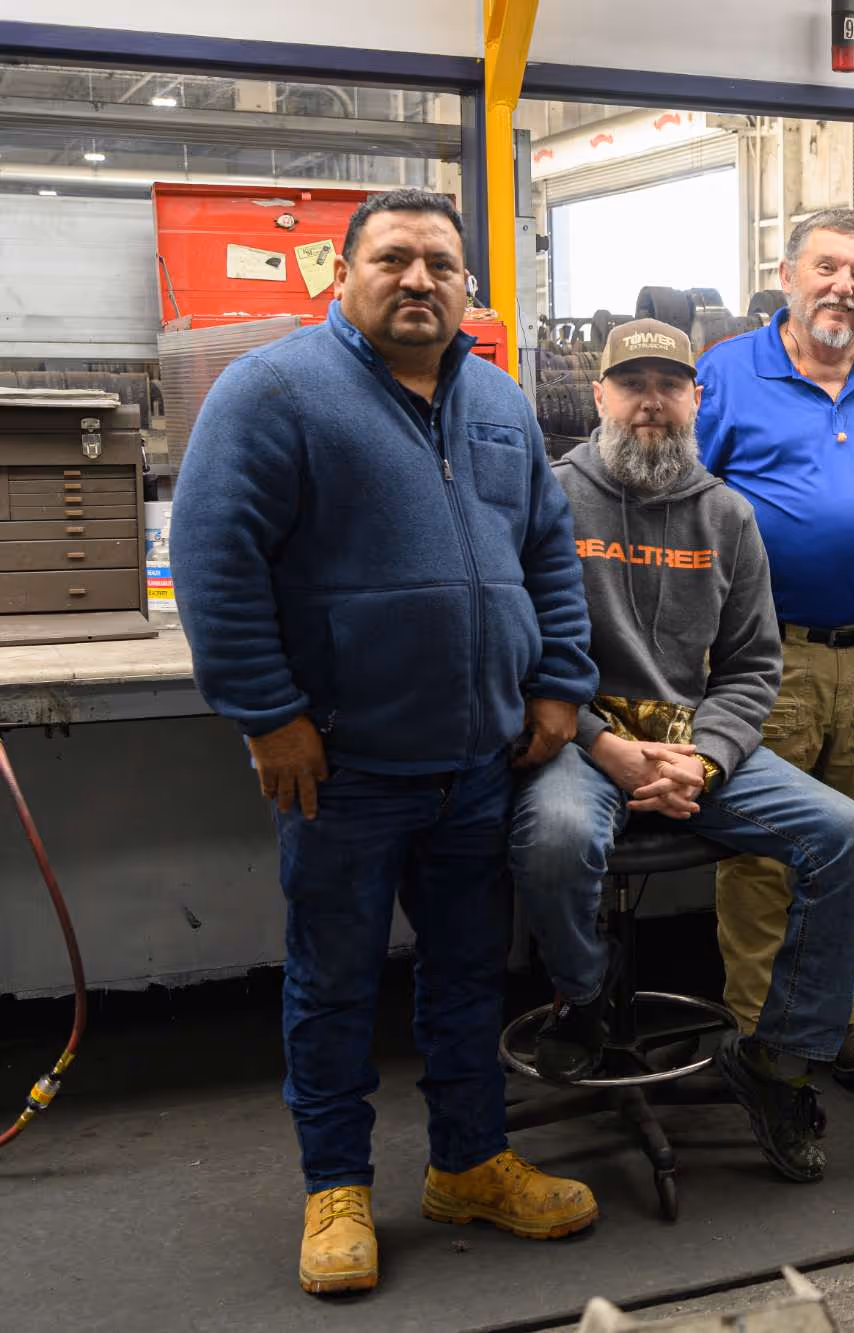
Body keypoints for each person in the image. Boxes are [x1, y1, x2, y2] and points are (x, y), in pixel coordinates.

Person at [174, 189, 600, 1297]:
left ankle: (466, 1162)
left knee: (466, 975)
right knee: (334, 979)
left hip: (478, 759)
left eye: (441, 265)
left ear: (469, 287)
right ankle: (336, 1188)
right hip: (345, 764)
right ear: (343, 275)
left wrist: (559, 680)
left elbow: (548, 554)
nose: (419, 280)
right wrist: (269, 713)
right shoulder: (272, 392)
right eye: (393, 259)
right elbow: (215, 562)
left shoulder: (499, 402)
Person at [509, 319, 854, 1184]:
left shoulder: (727, 513)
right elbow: (517, 649)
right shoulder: (549, 501)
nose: (650, 401)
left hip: (691, 745)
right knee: (559, 840)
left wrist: (704, 758)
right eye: (631, 383)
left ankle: (777, 1060)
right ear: (599, 397)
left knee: (850, 835)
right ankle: (585, 996)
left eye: (668, 385)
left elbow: (754, 664)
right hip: (579, 740)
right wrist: (607, 747)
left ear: (695, 400)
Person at [698, 208, 854, 1087]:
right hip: (767, 661)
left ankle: (847, 1018)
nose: (845, 287)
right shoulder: (725, 374)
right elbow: (682, 514)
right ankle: (762, 1034)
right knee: (767, 855)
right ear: (787, 272)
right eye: (828, 268)